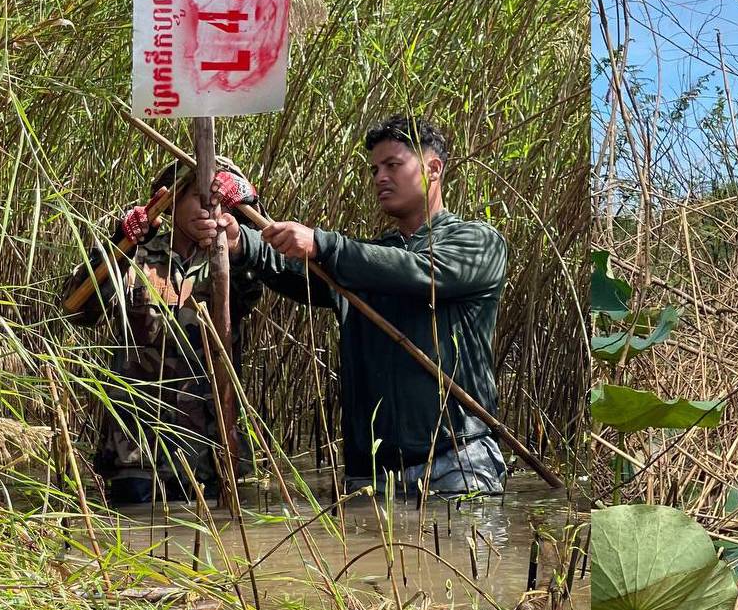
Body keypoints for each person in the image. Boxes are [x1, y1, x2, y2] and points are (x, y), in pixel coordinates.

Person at [220, 114, 509, 496]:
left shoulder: (478, 243)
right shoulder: (366, 259)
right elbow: (296, 271)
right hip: (371, 476)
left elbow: (421, 272)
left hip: (456, 461)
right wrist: (242, 241)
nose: (380, 178)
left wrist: (326, 245)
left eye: (393, 165)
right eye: (374, 169)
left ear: (433, 168)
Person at [60, 157, 262, 505]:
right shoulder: (136, 256)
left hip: (210, 451)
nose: (208, 207)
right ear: (170, 200)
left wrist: (250, 209)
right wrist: (119, 243)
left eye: (218, 199)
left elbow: (274, 267)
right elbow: (76, 309)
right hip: (137, 452)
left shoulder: (230, 259)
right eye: (197, 195)